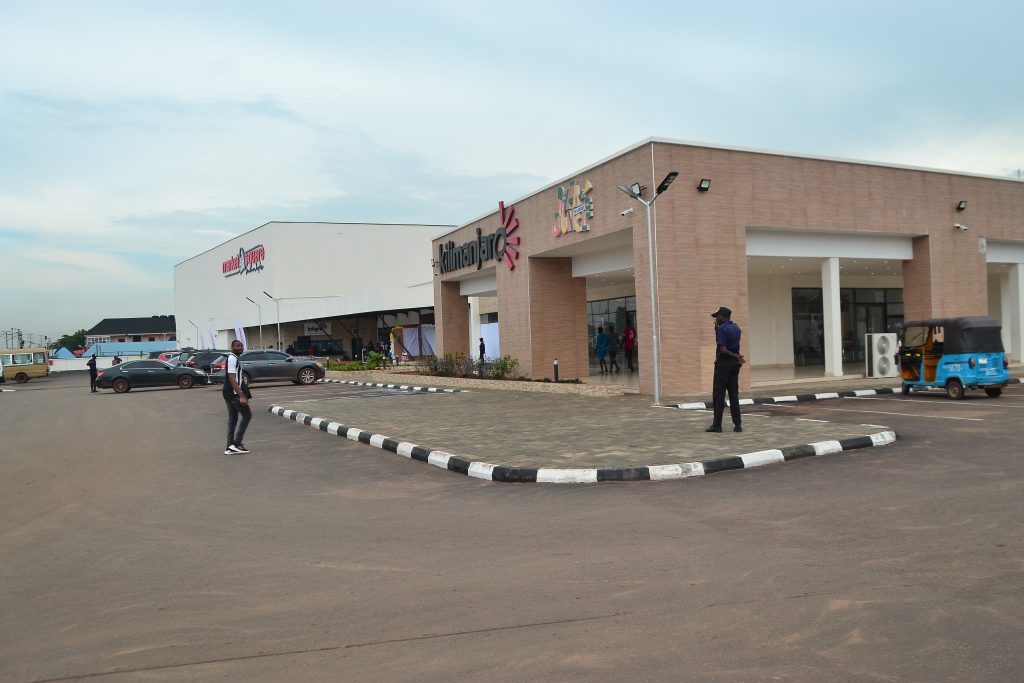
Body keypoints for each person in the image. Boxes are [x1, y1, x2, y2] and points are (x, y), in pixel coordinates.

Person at [707, 306, 745, 433]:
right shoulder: (736, 328)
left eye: (717, 317)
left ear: (723, 317)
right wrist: (736, 356)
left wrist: (734, 355)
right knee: (734, 394)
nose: (716, 319)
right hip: (734, 364)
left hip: (723, 363)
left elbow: (722, 349)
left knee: (719, 394)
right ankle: (738, 424)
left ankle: (717, 425)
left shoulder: (722, 329)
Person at [223, 339, 252, 454]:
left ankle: (230, 446)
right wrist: (241, 396)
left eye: (241, 345)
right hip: (232, 393)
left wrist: (244, 393)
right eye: (237, 346)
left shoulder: (234, 358)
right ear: (232, 347)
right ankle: (236, 443)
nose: (240, 347)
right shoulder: (232, 358)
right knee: (247, 415)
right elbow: (232, 379)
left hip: (229, 392)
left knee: (233, 418)